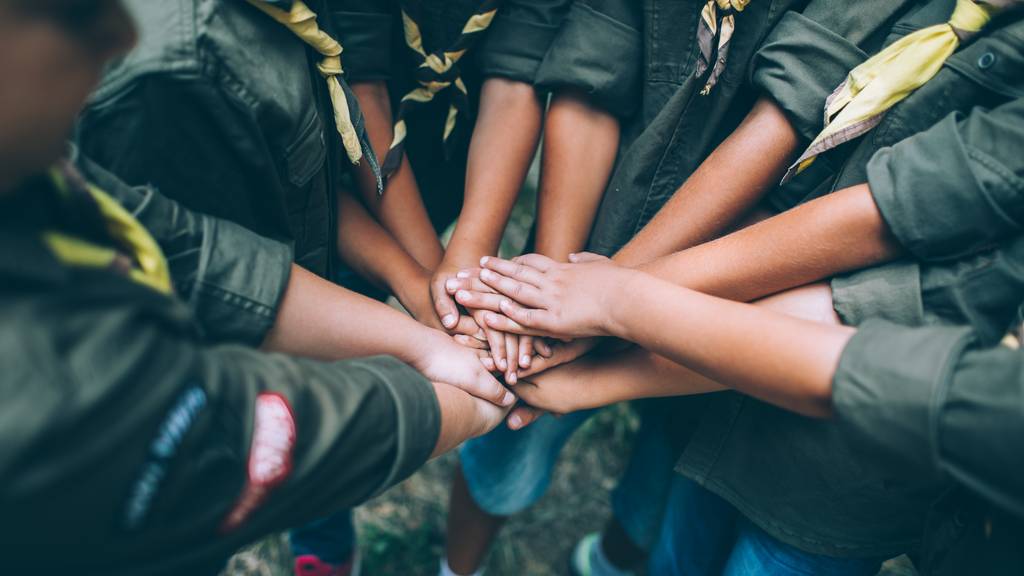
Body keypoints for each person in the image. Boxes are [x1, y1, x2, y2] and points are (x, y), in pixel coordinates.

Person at [466, 2, 1024, 572]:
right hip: (700, 315)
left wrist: (608, 303)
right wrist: (573, 296)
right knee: (676, 533)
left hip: (831, 459)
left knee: (722, 533)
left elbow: (882, 291)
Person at [0, 2, 513, 574]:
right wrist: (470, 404)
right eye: (70, 14)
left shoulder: (25, 164)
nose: (119, 32)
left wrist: (430, 346)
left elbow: (194, 253)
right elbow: (236, 438)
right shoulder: (33, 386)